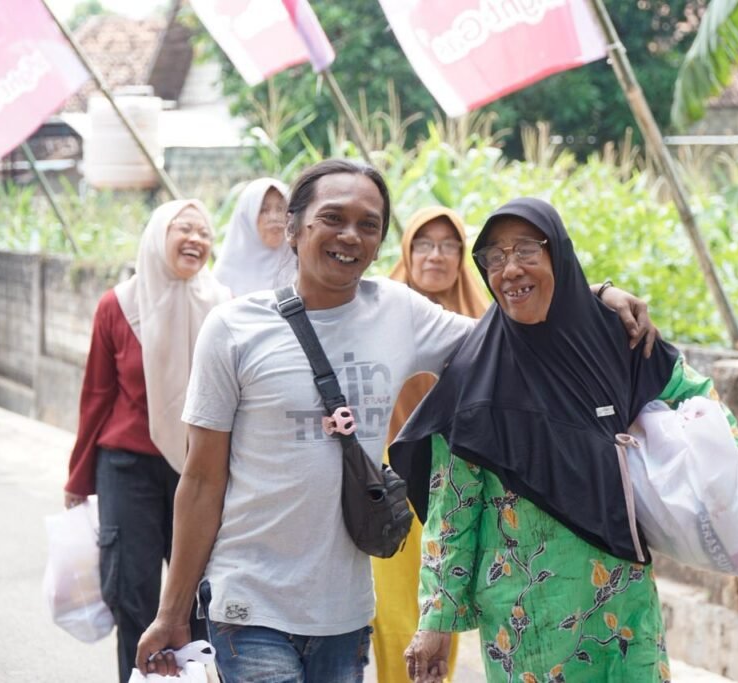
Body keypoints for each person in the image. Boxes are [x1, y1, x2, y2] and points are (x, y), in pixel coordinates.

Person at [135, 161, 655, 681]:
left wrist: (596, 294)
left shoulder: (398, 312)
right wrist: (172, 611)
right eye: (333, 218)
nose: (350, 235)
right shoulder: (232, 329)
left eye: (368, 224)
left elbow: (510, 339)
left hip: (346, 611)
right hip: (247, 604)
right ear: (294, 228)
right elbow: (201, 480)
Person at [393, 198, 738, 683]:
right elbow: (453, 508)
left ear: (557, 254)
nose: (510, 269)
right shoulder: (477, 372)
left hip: (623, 602)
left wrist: (730, 482)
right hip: (527, 617)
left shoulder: (616, 338)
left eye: (525, 250)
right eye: (494, 258)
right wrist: (436, 621)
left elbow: (698, 397)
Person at [64, 199, 231, 683]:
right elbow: (96, 393)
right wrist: (79, 477)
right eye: (184, 228)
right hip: (128, 467)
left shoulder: (224, 306)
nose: (196, 239)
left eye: (204, 231)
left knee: (201, 598)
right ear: (159, 235)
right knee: (132, 596)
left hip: (201, 467)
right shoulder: (119, 304)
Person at [372, 206, 490, 682]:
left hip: (459, 482)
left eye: (448, 245)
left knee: (443, 602)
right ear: (407, 249)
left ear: (462, 255)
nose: (435, 255)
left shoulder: (484, 320)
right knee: (396, 609)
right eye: (423, 243)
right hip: (391, 476)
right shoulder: (379, 311)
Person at [212, 177, 296, 296]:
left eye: (280, 209)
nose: (274, 217)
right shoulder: (225, 275)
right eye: (263, 210)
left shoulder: (304, 266)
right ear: (246, 217)